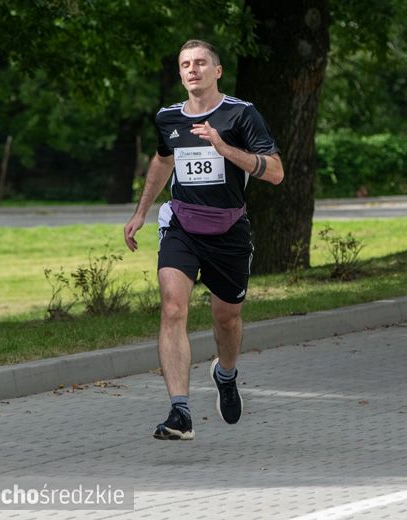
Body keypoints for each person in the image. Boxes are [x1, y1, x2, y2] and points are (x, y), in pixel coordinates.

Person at [124, 39, 284, 440]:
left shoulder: (241, 114)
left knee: (226, 318)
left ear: (218, 71)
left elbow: (276, 172)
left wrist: (223, 147)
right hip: (182, 225)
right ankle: (180, 412)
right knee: (173, 307)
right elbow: (164, 159)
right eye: (184, 64)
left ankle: (225, 374)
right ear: (180, 73)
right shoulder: (168, 118)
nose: (192, 70)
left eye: (200, 63)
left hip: (229, 231)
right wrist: (142, 211)